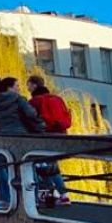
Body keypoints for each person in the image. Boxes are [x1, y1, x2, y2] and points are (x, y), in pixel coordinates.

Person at [0, 76, 44, 205]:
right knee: (26, 166)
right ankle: (33, 198)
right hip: (21, 135)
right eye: (17, 86)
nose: (19, 89)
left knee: (4, 168)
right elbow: (31, 114)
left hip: (3, 137)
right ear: (9, 88)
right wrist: (40, 125)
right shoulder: (18, 99)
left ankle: (7, 198)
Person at [27, 74, 72, 205]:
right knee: (49, 165)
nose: (28, 88)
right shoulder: (57, 98)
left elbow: (31, 120)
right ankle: (58, 194)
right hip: (61, 135)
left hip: (45, 136)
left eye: (28, 85)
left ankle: (60, 195)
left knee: (42, 166)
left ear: (34, 85)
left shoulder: (35, 101)